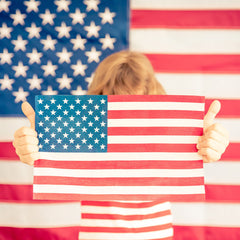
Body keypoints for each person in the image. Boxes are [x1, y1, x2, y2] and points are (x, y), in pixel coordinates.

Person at [13, 50, 229, 240]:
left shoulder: (167, 129)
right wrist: (32, 150)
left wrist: (213, 145)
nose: (126, 116)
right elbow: (48, 157)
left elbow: (199, 149)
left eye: (135, 104)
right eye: (116, 103)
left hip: (157, 235)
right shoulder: (88, 127)